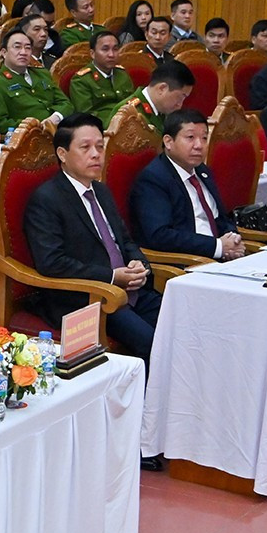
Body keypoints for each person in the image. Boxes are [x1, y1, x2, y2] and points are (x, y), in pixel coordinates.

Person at [22, 113, 160, 363]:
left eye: (100, 146)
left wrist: (139, 265)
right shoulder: (46, 199)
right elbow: (52, 262)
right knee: (152, 343)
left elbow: (125, 241)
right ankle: (146, 403)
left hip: (129, 290)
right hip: (86, 299)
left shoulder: (101, 190)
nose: (96, 154)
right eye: (85, 147)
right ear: (62, 155)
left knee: (181, 328)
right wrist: (110, 277)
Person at [129, 109, 243, 261]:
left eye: (204, 138)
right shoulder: (153, 179)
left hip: (220, 257)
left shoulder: (202, 171)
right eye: (190, 137)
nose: (199, 145)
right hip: (188, 261)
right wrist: (218, 247)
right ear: (168, 141)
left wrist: (233, 239)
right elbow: (160, 236)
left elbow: (220, 218)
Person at [0, 25, 70, 133]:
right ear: (4, 53)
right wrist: (34, 126)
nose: (23, 52)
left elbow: (66, 103)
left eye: (27, 48)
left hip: (57, 131)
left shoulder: (42, 74)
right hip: (25, 139)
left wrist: (56, 117)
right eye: (17, 47)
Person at [69, 30, 137, 125]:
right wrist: (116, 123)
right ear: (92, 54)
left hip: (128, 124)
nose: (111, 54)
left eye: (115, 49)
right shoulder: (81, 80)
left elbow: (132, 102)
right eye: (105, 49)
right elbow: (86, 115)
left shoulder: (122, 73)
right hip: (101, 128)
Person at [127, 60, 196, 136]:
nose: (180, 105)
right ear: (162, 88)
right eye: (180, 98)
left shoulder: (161, 112)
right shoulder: (129, 113)